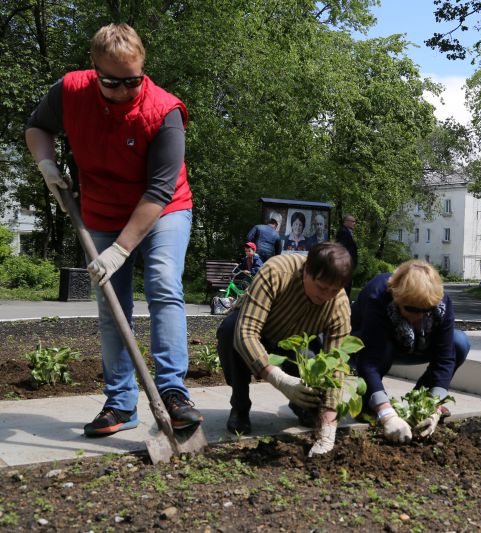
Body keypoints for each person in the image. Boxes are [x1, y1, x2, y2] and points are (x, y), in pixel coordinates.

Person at [24, 23, 202, 436]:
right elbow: (37, 127)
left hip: (164, 209)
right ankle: (121, 405)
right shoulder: (70, 91)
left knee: (162, 283)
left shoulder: (165, 111)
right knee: (111, 306)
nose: (124, 91)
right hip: (102, 211)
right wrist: (45, 163)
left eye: (132, 81)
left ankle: (174, 394)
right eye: (112, 82)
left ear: (143, 68)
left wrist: (120, 251)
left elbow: (159, 191)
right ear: (93, 68)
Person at [216, 242, 352, 456]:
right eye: (321, 287)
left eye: (333, 290)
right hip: (257, 332)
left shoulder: (339, 305)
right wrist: (280, 379)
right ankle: (240, 407)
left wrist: (328, 431)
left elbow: (336, 366)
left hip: (293, 346)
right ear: (307, 270)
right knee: (229, 330)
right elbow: (246, 333)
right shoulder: (277, 271)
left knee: (315, 366)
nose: (326, 295)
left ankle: (303, 404)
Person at [351, 260, 470, 443]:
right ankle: (369, 405)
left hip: (417, 346)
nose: (418, 316)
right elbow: (369, 362)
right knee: (383, 349)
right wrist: (387, 414)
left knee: (459, 343)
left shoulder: (441, 302)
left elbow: (445, 359)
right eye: (411, 309)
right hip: (372, 348)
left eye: (426, 310)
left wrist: (433, 406)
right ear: (397, 297)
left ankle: (418, 406)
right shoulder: (378, 295)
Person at [336, 214, 358, 296]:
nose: (354, 223)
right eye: (352, 221)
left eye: (355, 221)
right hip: (345, 265)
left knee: (347, 286)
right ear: (346, 222)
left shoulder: (347, 232)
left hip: (348, 264)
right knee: (345, 286)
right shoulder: (343, 232)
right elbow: (343, 248)